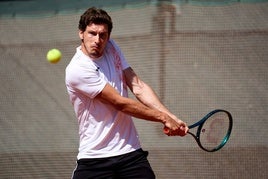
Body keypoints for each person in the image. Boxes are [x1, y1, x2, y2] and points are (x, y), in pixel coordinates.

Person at [65, 7, 188, 179]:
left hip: (130, 153)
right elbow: (120, 103)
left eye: (103, 35)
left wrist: (171, 117)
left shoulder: (112, 47)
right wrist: (163, 118)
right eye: (92, 33)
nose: (97, 40)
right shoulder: (78, 69)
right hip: (95, 159)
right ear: (81, 33)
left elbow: (137, 85)